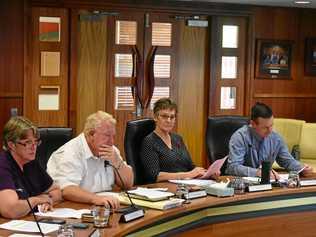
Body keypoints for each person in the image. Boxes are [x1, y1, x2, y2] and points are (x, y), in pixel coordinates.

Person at [47, 111, 133, 209]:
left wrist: (117, 161)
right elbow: (66, 189)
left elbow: (128, 184)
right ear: (91, 134)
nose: (111, 142)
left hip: (103, 206)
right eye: (107, 136)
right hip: (72, 207)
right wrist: (96, 198)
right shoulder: (71, 152)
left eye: (113, 136)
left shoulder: (111, 151)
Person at [225, 102, 313, 178]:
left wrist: (301, 168)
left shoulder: (276, 138)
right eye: (265, 127)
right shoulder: (239, 137)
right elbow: (233, 167)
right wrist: (257, 173)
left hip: (268, 183)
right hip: (243, 185)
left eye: (271, 125)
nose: (270, 130)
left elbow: (287, 161)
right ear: (253, 124)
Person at [0, 116, 62, 219]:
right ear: (11, 145)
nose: (34, 147)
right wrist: (37, 200)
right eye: (27, 142)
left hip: (29, 220)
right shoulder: (3, 165)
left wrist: (47, 200)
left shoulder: (30, 162)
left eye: (35, 142)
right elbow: (10, 210)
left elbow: (57, 192)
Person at [140, 98, 207, 183]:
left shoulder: (178, 138)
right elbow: (154, 176)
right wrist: (188, 175)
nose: (168, 120)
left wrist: (206, 173)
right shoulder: (149, 142)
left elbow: (191, 166)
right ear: (155, 117)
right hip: (164, 188)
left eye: (172, 117)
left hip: (186, 184)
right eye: (164, 116)